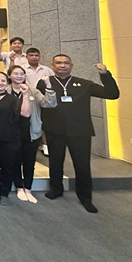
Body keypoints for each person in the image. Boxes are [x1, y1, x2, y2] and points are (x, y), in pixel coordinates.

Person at [41, 55, 119, 213]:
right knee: (55, 161)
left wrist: (105, 74)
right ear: (52, 65)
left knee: (82, 164)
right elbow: (41, 103)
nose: (62, 65)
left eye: (66, 63)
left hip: (80, 131)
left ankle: (85, 198)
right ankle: (56, 189)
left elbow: (112, 94)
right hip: (54, 129)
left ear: (71, 65)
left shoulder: (84, 84)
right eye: (58, 63)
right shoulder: (44, 82)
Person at [6, 65, 56, 204]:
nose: (19, 76)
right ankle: (19, 188)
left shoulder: (33, 91)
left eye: (21, 74)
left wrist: (48, 86)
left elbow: (49, 104)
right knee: (15, 161)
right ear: (9, 75)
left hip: (31, 131)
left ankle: (28, 188)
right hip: (11, 132)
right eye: (15, 73)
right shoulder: (6, 91)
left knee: (29, 162)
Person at [0, 72, 31, 206]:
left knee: (7, 166)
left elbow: (26, 114)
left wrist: (26, 95)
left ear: (7, 83)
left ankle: (4, 192)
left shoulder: (13, 99)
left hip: (10, 139)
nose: (0, 83)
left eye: (3, 81)